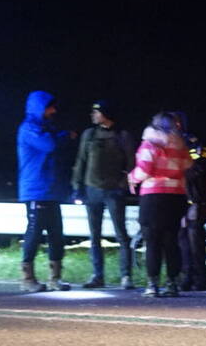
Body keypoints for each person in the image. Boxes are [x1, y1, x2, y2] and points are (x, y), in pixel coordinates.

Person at [71, 99, 137, 289]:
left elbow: (131, 163)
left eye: (96, 112)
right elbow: (80, 161)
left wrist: (122, 184)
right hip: (92, 190)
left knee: (121, 234)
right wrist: (77, 185)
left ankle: (126, 276)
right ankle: (97, 275)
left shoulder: (122, 135)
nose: (92, 115)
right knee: (94, 235)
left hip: (114, 192)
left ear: (106, 114)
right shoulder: (89, 134)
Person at [17, 90, 76, 292]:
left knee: (56, 235)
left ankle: (55, 278)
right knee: (34, 233)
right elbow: (49, 145)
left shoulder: (46, 128)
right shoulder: (29, 129)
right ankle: (27, 278)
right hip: (35, 190)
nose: (54, 110)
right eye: (50, 107)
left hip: (51, 190)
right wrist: (64, 135)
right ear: (39, 108)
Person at [127, 112, 192, 297]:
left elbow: (144, 170)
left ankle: (152, 284)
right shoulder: (180, 145)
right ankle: (172, 283)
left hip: (154, 197)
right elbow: (187, 165)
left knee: (153, 241)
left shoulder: (150, 144)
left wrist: (131, 178)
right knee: (172, 241)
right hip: (176, 197)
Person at [179, 139, 206, 290]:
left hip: (197, 205)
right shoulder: (188, 157)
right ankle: (188, 277)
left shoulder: (200, 164)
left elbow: (196, 182)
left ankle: (199, 279)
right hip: (188, 204)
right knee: (185, 242)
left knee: (195, 242)